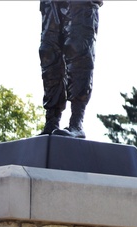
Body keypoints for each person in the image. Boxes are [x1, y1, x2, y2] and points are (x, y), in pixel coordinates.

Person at [39, 0, 102, 138]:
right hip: (51, 4)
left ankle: (76, 122)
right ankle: (51, 120)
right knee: (49, 54)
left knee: (79, 52)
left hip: (81, 4)